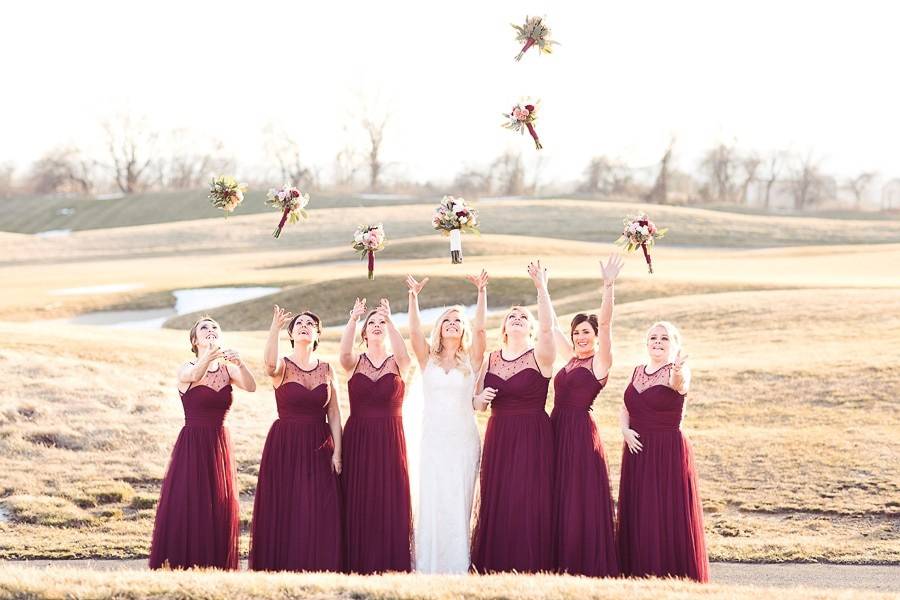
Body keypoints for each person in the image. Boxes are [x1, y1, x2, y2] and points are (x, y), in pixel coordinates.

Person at [149, 317, 256, 570]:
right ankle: (181, 561)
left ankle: (215, 562)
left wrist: (240, 363)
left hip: (219, 443)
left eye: (215, 327)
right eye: (204, 328)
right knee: (190, 498)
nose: (210, 331)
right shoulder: (186, 368)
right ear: (195, 340)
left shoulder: (228, 370)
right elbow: (197, 373)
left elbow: (251, 387)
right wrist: (209, 356)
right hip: (193, 442)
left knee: (217, 500)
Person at [470, 261, 557, 573]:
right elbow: (477, 405)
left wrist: (541, 288)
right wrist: (479, 399)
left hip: (533, 434)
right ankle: (496, 565)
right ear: (504, 327)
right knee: (499, 495)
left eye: (524, 317)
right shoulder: (490, 359)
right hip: (499, 435)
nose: (518, 319)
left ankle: (532, 564)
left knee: (528, 496)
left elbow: (548, 328)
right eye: (512, 317)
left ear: (530, 329)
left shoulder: (540, 355)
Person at [405, 271, 488, 573]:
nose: (452, 324)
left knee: (459, 497)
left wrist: (481, 292)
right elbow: (413, 334)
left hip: (463, 439)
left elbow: (480, 331)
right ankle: (430, 564)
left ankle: (458, 564)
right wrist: (413, 298)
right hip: (434, 438)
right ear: (439, 328)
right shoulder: (427, 359)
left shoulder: (472, 361)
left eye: (457, 321)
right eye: (447, 321)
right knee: (434, 497)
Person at [249, 306, 343, 572]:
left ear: (317, 334)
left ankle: (319, 564)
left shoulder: (327, 368)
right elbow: (268, 364)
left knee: (319, 505)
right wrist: (274, 328)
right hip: (286, 444)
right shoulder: (283, 366)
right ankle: (283, 566)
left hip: (319, 443)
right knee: (288, 504)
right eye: (299, 323)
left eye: (310, 324)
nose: (304, 325)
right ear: (291, 334)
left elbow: (334, 412)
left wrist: (338, 452)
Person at [616, 321, 709, 582]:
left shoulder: (679, 370)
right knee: (641, 509)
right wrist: (624, 430)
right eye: (653, 337)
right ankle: (638, 572)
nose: (658, 341)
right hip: (636, 450)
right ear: (646, 343)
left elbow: (678, 385)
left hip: (666, 451)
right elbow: (625, 406)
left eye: (664, 338)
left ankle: (669, 573)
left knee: (664, 509)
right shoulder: (636, 371)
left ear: (674, 344)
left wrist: (678, 369)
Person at [550, 255, 623, 576]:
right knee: (559, 495)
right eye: (576, 332)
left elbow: (606, 324)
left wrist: (608, 286)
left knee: (579, 496)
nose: (580, 337)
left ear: (594, 335)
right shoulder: (569, 358)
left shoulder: (599, 362)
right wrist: (542, 288)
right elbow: (550, 326)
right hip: (555, 429)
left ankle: (582, 561)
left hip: (579, 432)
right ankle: (558, 558)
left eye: (585, 332)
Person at [339, 297, 414, 573]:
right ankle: (357, 563)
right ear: (364, 333)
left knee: (389, 497)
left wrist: (392, 320)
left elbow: (406, 356)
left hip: (390, 439)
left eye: (381, 322)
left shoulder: (398, 363)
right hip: (358, 437)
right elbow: (343, 355)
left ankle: (390, 564)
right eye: (372, 323)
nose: (377, 326)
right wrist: (353, 318)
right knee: (359, 497)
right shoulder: (354, 363)